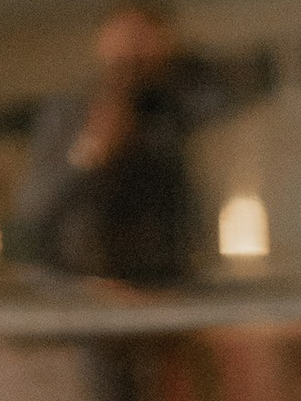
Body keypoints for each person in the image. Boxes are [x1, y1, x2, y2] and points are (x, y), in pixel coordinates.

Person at [14, 1, 236, 283]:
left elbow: (224, 100)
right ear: (103, 41)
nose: (134, 48)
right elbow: (34, 208)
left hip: (169, 281)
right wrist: (90, 150)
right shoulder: (66, 112)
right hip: (81, 284)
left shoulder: (176, 105)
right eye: (125, 36)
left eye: (146, 36)